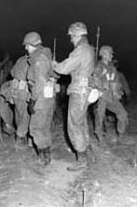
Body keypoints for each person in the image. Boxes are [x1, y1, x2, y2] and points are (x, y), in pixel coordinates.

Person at [52, 22, 96, 168]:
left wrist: (55, 65)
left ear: (77, 35)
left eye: (72, 36)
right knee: (82, 123)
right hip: (86, 90)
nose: (71, 39)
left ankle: (82, 159)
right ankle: (89, 153)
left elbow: (65, 68)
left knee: (74, 126)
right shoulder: (89, 49)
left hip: (79, 91)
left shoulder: (81, 50)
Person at [25, 32, 55, 165]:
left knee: (36, 128)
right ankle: (46, 155)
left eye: (26, 45)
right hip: (48, 96)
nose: (26, 48)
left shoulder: (39, 59)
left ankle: (43, 157)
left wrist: (32, 99)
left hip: (41, 98)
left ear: (31, 45)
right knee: (44, 128)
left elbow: (40, 82)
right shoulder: (46, 56)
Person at [94, 46, 128, 140]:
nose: (112, 56)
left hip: (112, 96)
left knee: (123, 114)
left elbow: (117, 82)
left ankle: (121, 134)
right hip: (102, 95)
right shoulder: (98, 66)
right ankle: (99, 136)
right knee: (99, 115)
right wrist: (101, 80)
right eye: (110, 53)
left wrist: (119, 91)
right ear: (104, 54)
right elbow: (94, 80)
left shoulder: (112, 68)